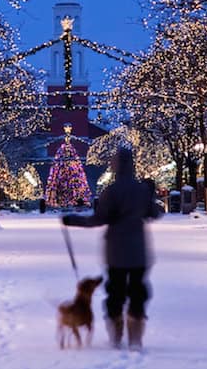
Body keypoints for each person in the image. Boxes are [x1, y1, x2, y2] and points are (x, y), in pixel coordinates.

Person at [61, 147, 161, 350]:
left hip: (115, 251)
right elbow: (156, 212)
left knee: (115, 292)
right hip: (138, 250)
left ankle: (116, 334)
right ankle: (135, 335)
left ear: (115, 166)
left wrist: (72, 220)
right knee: (137, 291)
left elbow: (97, 219)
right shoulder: (141, 190)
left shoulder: (111, 192)